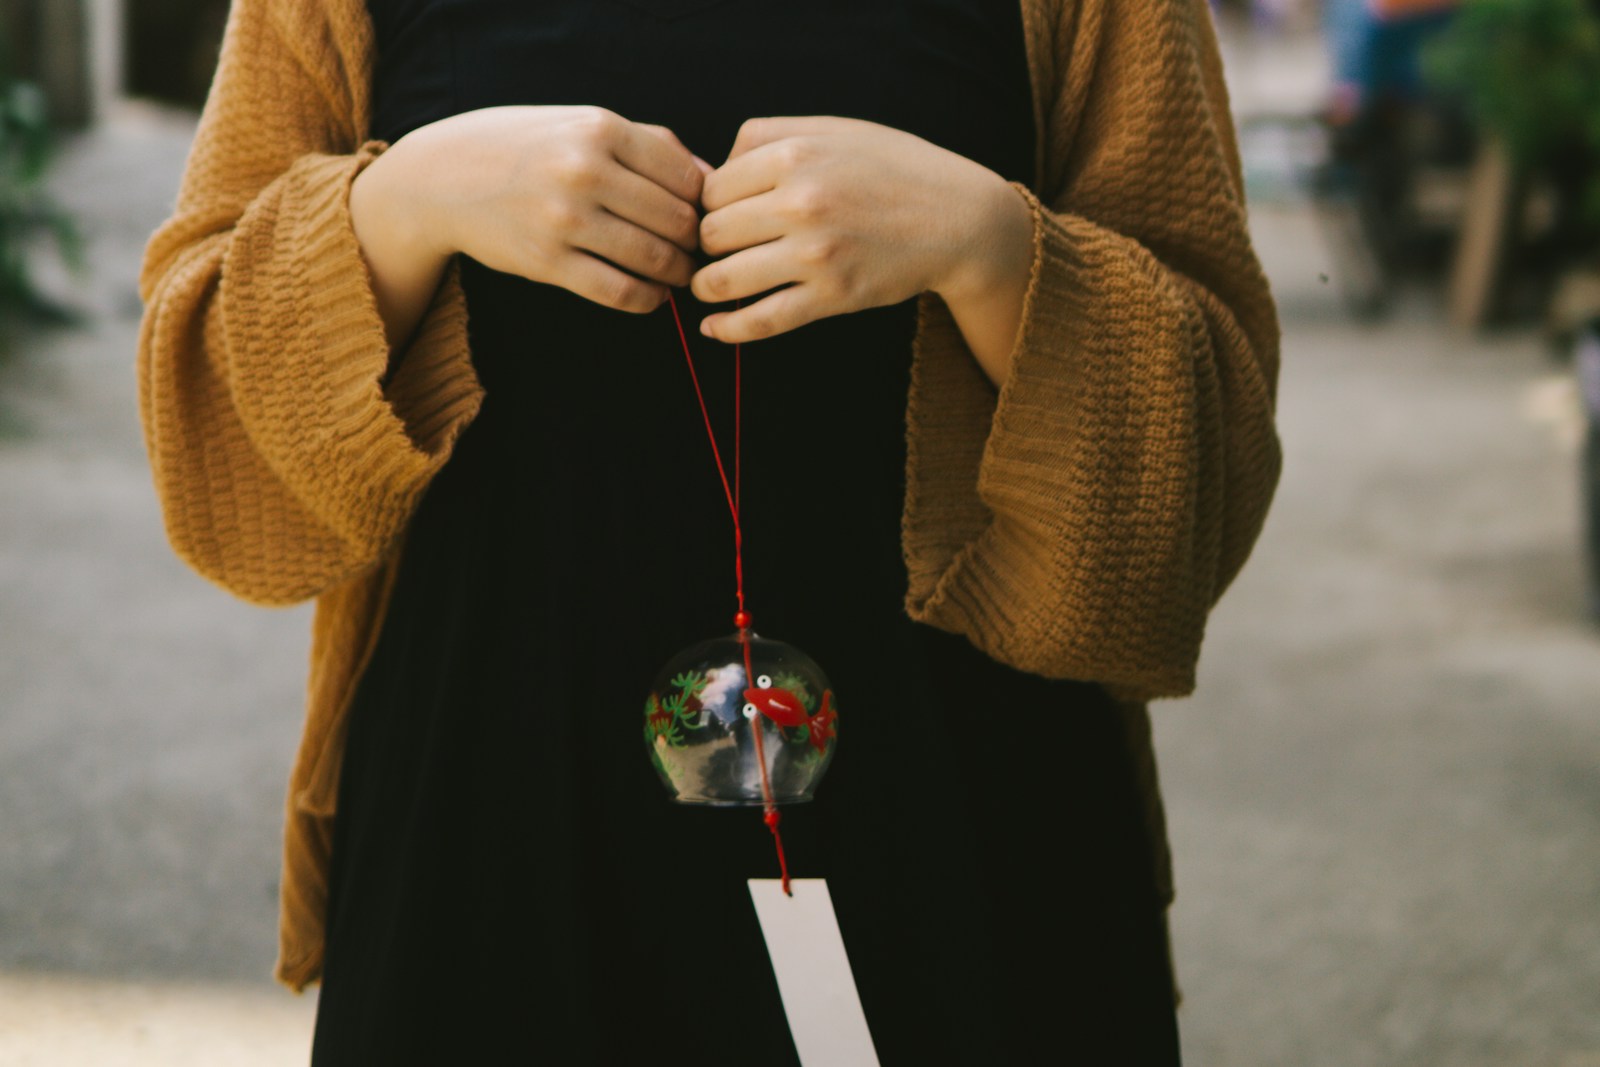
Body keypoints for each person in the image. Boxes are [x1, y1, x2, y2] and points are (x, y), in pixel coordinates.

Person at [138, 0, 1280, 1061]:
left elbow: (1203, 487)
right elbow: (219, 474)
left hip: (971, 836)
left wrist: (991, 250)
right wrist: (402, 208)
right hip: (488, 834)